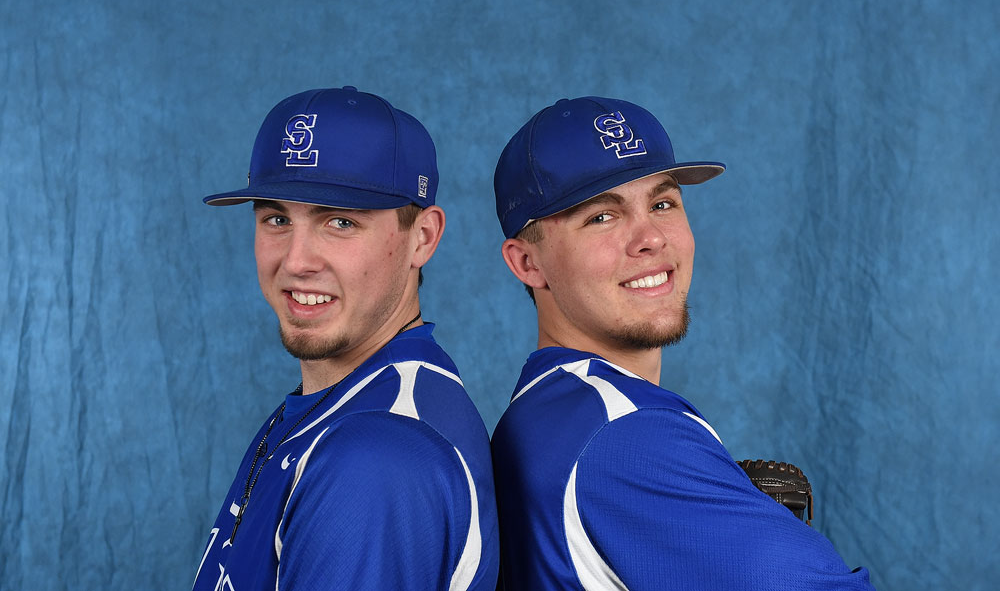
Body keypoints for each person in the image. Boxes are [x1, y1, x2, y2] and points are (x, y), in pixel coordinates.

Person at [490, 96, 875, 590]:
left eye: (662, 203)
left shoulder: (545, 407)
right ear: (527, 264)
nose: (650, 238)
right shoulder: (628, 435)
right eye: (602, 217)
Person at [193, 86, 499, 590]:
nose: (295, 261)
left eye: (339, 221)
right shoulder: (337, 405)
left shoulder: (376, 461)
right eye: (276, 219)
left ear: (422, 237)